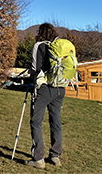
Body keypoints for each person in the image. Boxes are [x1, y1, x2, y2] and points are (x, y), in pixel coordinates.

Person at [27, 23, 64, 169]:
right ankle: (55, 156)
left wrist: (29, 72)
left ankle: (38, 158)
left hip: (44, 88)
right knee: (55, 121)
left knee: (36, 122)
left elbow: (36, 68)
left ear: (40, 32)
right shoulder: (58, 46)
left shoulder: (39, 45)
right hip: (60, 88)